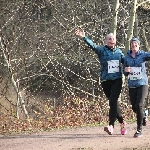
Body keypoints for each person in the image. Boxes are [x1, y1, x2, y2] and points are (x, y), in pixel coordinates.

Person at [75, 28, 127, 135]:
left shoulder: (119, 52)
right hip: (105, 81)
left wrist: (136, 62)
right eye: (109, 39)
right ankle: (122, 122)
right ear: (105, 41)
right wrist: (84, 37)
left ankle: (111, 126)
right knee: (113, 103)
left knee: (113, 101)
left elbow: (127, 61)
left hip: (117, 80)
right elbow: (92, 45)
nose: (111, 41)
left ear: (115, 41)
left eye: (113, 39)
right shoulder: (101, 50)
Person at [123, 37, 149, 138]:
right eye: (132, 44)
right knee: (134, 107)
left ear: (138, 45)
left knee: (139, 105)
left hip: (142, 83)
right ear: (130, 46)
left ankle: (139, 130)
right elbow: (124, 72)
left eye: (135, 44)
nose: (134, 46)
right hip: (132, 84)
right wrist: (126, 70)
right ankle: (144, 115)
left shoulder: (143, 55)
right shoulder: (127, 57)